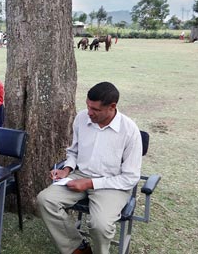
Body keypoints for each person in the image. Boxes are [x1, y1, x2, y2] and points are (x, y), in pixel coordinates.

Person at [36, 82, 143, 254]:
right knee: (45, 200)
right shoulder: (82, 118)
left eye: (95, 109)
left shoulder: (129, 130)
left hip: (112, 184)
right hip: (80, 174)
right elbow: (74, 151)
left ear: (112, 107)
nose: (89, 112)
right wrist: (67, 169)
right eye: (87, 106)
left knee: (99, 225)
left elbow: (129, 177)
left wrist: (90, 183)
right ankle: (77, 247)